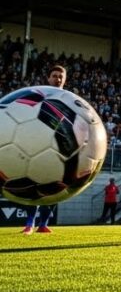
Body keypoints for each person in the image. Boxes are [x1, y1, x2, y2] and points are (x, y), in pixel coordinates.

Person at [22, 65, 67, 235]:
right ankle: (29, 223)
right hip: (38, 148)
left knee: (56, 188)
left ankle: (43, 224)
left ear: (64, 80)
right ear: (48, 78)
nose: (57, 79)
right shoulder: (40, 94)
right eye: (54, 76)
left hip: (59, 150)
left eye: (60, 76)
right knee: (34, 185)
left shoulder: (68, 99)